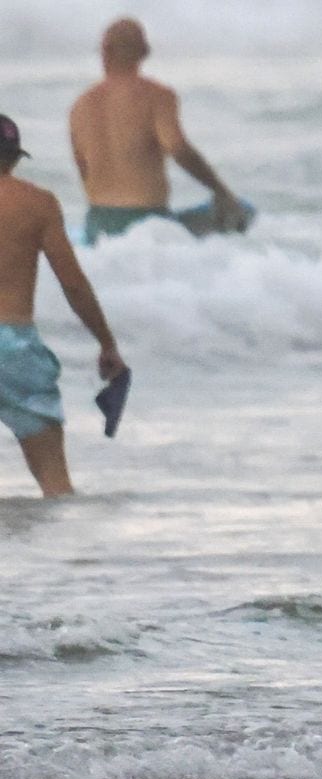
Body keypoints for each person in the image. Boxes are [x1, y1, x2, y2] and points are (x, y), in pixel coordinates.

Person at [0, 114, 127, 497]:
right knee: (57, 488)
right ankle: (64, 556)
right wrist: (106, 343)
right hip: (15, 349)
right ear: (14, 158)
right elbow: (72, 283)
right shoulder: (37, 203)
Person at [69, 17, 247, 245]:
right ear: (144, 53)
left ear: (104, 52)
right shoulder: (157, 96)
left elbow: (83, 168)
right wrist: (222, 192)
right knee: (244, 213)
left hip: (97, 225)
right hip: (147, 224)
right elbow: (178, 149)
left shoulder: (80, 106)